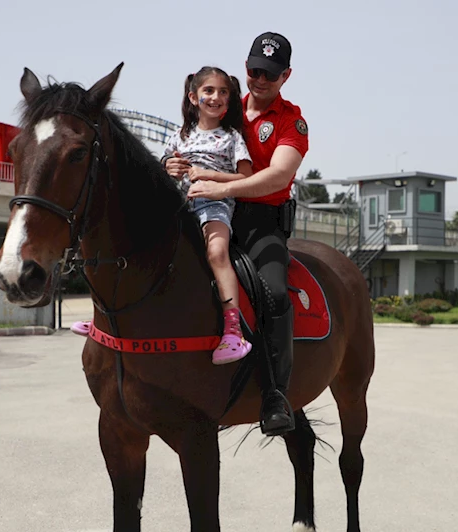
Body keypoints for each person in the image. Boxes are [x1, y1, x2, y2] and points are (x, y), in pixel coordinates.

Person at [164, 32, 308, 436]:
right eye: (254, 71)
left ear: (286, 76)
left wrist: (220, 188)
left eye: (270, 74)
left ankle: (276, 394)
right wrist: (172, 166)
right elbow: (189, 143)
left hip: (262, 221)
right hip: (206, 209)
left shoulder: (291, 122)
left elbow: (277, 177)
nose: (260, 80)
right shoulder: (226, 106)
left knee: (274, 291)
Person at [163, 66, 254, 365]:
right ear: (193, 97)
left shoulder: (231, 138)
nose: (216, 97)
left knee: (217, 252)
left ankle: (233, 331)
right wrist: (169, 167)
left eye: (223, 92)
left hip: (215, 204)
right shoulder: (179, 136)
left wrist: (209, 175)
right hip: (179, 205)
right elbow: (165, 167)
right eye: (209, 91)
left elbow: (246, 178)